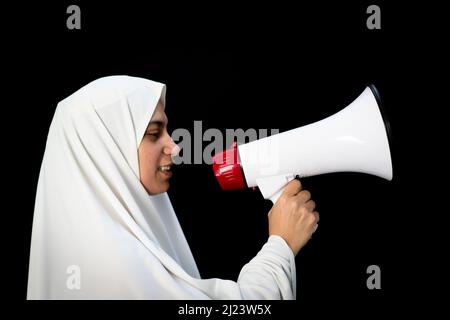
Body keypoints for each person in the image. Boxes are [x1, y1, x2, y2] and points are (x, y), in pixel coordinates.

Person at [27, 75, 319, 299]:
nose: (175, 146)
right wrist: (280, 246)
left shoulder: (86, 248)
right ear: (104, 148)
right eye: (154, 133)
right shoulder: (112, 265)